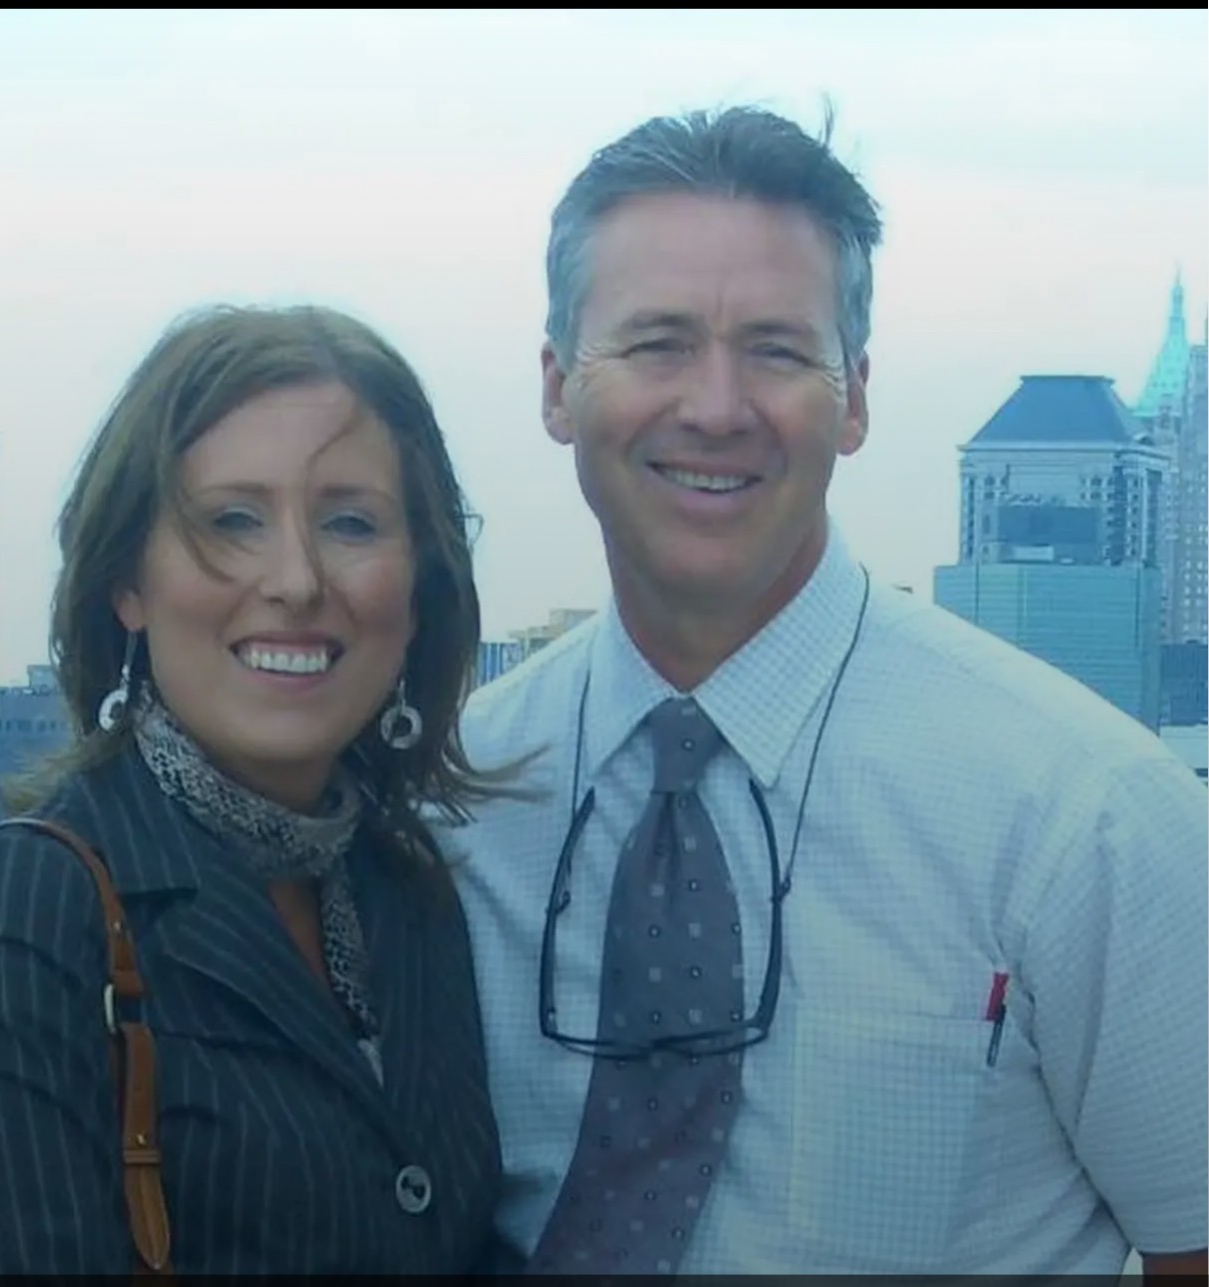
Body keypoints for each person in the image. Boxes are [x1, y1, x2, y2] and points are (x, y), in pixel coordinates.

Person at [440, 107, 1208, 1276]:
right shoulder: (462, 800)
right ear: (557, 388)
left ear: (852, 397)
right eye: (656, 343)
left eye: (776, 350)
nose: (715, 406)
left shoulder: (1089, 822)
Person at [0, 305, 503, 1274]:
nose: (297, 580)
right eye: (232, 520)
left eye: (350, 523)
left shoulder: (412, 888)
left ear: (419, 589)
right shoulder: (29, 907)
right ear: (128, 583)